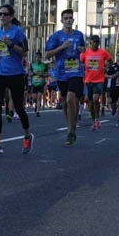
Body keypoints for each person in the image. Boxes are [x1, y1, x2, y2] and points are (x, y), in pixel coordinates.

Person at [0, 4, 33, 154]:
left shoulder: (18, 31)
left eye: (5, 14)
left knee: (18, 107)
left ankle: (27, 136)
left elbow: (25, 52)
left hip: (16, 73)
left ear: (11, 17)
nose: (2, 16)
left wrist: (11, 44)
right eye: (0, 14)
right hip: (0, 72)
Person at [44, 9, 86, 146]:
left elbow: (83, 51)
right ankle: (71, 124)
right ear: (62, 21)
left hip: (76, 71)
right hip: (61, 73)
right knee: (64, 102)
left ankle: (70, 131)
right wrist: (61, 47)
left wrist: (83, 51)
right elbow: (47, 55)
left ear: (73, 20)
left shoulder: (79, 35)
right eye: (66, 18)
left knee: (70, 98)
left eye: (70, 18)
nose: (68, 20)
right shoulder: (56, 36)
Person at [81, 36, 111, 131]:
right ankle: (95, 120)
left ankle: (97, 118)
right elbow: (81, 62)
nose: (96, 44)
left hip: (99, 80)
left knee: (95, 99)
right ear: (90, 42)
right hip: (88, 80)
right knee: (90, 102)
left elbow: (110, 61)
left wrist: (107, 68)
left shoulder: (103, 52)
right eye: (94, 42)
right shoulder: (85, 53)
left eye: (97, 42)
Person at [28, 51, 48, 116]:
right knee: (34, 98)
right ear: (35, 58)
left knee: (39, 96)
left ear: (41, 58)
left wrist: (41, 74)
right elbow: (29, 73)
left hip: (41, 84)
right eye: (36, 57)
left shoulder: (44, 65)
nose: (38, 59)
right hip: (34, 84)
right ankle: (36, 105)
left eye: (39, 57)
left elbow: (47, 74)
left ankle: (38, 111)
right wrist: (34, 73)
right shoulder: (32, 65)